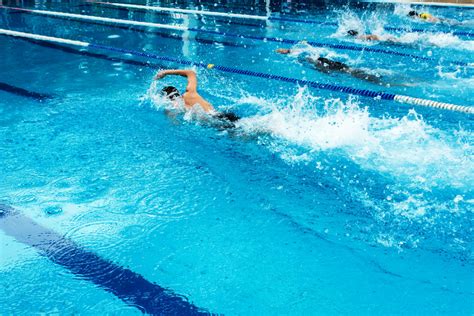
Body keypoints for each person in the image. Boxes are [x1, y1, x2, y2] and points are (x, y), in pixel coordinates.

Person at [154, 69, 240, 126]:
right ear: (178, 93)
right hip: (222, 115)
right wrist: (165, 72)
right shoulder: (190, 93)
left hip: (216, 121)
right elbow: (191, 73)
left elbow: (174, 124)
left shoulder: (176, 107)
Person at [276, 48, 382, 84]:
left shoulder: (317, 63)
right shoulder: (324, 60)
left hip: (348, 72)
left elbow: (325, 70)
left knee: (369, 79)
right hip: (348, 68)